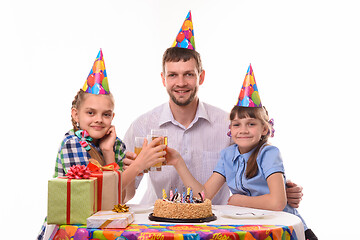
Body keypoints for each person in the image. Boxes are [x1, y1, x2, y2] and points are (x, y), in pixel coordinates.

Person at [122, 11, 303, 207]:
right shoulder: (141, 127)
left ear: (201, 77)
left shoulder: (229, 126)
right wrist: (133, 171)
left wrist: (284, 190)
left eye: (189, 74)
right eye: (173, 75)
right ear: (163, 79)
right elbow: (125, 196)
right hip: (158, 220)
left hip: (216, 224)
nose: (181, 83)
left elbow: (257, 163)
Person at [165, 64, 317, 240]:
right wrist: (178, 162)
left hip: (285, 230)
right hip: (254, 231)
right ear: (230, 129)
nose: (243, 130)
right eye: (237, 124)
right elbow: (203, 197)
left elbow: (277, 203)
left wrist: (239, 200)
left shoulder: (269, 154)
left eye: (251, 124)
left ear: (265, 129)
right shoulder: (228, 155)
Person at [37, 49, 166, 240]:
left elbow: (120, 199)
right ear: (75, 114)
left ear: (112, 116)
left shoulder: (116, 145)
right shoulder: (72, 144)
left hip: (99, 229)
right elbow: (87, 198)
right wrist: (139, 164)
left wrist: (110, 155)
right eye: (91, 113)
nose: (99, 119)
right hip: (71, 230)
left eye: (106, 114)